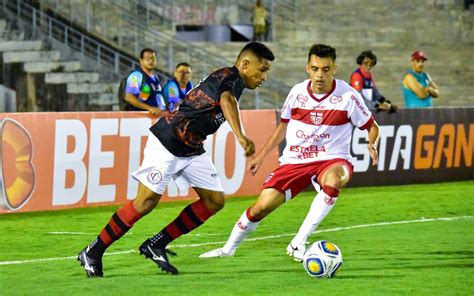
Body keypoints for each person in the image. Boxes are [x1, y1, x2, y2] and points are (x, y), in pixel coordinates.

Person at [77, 42, 275, 277]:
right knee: (145, 203)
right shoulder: (229, 78)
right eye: (262, 69)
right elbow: (227, 101)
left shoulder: (232, 80)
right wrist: (241, 136)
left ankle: (157, 243)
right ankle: (93, 251)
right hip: (168, 141)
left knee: (214, 201)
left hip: (192, 148)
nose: (264, 76)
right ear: (245, 64)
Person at [199, 44, 380, 262]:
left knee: (335, 179)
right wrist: (261, 155)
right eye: (315, 69)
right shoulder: (297, 92)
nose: (319, 75)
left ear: (334, 68)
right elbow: (282, 126)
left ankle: (298, 242)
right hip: (295, 161)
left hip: (331, 158)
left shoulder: (348, 96)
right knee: (260, 208)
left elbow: (372, 126)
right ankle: (228, 249)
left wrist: (372, 143)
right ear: (307, 68)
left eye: (325, 69)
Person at [121, 48, 165, 115]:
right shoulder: (136, 76)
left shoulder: (156, 77)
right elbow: (129, 97)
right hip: (141, 118)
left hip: (156, 117)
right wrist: (150, 108)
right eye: (147, 59)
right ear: (141, 60)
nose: (150, 61)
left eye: (153, 58)